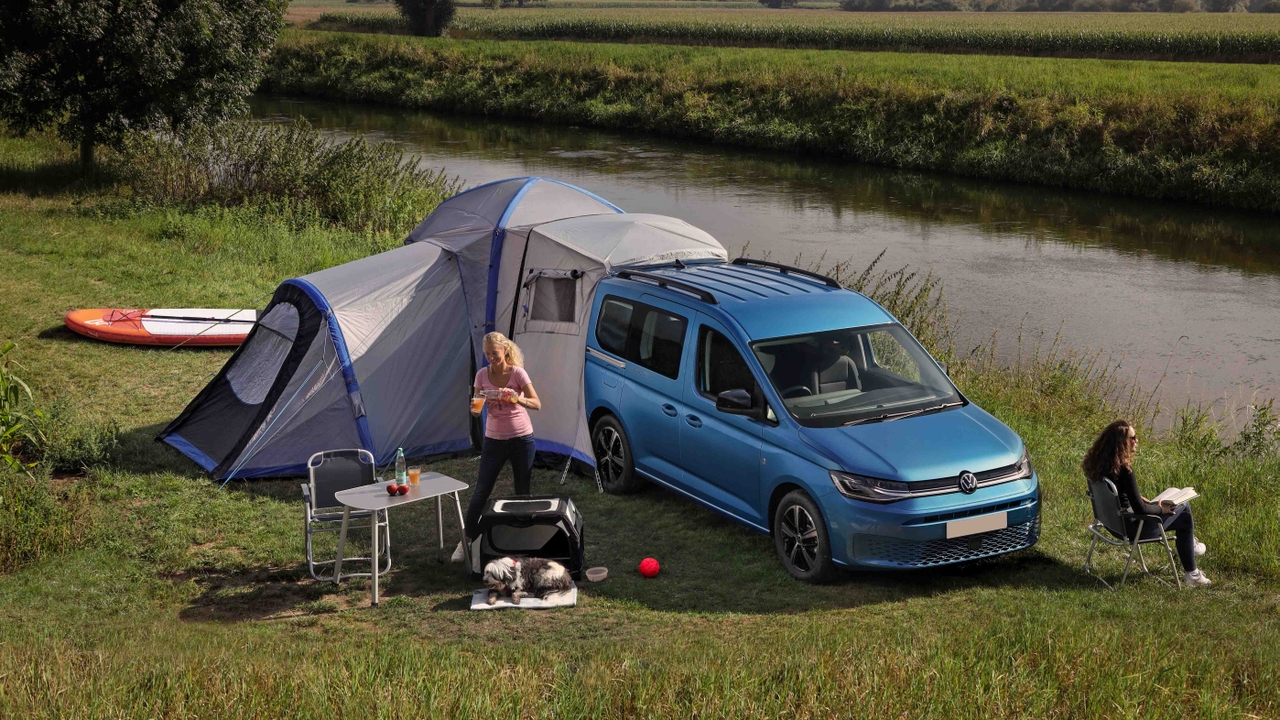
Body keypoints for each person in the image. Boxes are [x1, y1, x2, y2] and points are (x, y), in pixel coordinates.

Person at [1082, 420, 1210, 587]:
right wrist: (1160, 508)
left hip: (1111, 523)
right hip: (1131, 529)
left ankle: (1189, 546)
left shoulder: (1098, 464)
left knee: (1173, 491)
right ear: (1121, 443)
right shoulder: (1124, 470)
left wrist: (1133, 496)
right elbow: (1141, 510)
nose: (1137, 441)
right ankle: (1192, 570)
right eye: (1133, 438)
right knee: (1184, 512)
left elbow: (1116, 492)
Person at [451, 332, 542, 563]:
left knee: (522, 490)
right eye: (488, 353)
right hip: (494, 439)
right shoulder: (482, 375)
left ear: (505, 351)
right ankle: (467, 540)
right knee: (482, 489)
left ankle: (525, 538)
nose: (491, 357)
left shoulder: (517, 373)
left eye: (495, 353)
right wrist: (476, 408)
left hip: (522, 438)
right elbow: (476, 408)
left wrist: (516, 398)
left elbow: (536, 403)